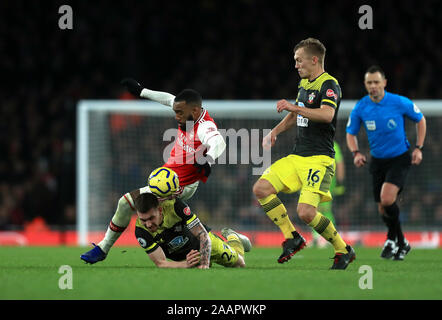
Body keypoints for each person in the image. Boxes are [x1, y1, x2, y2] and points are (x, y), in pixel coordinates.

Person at [80, 80, 226, 264]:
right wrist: (142, 91)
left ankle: (103, 248)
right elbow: (168, 99)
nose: (176, 116)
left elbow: (218, 141)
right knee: (139, 206)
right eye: (176, 112)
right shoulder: (189, 113)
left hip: (183, 184)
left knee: (125, 202)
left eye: (179, 113)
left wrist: (208, 160)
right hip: (169, 176)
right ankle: (225, 238)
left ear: (195, 111)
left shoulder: (204, 126)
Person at [252, 38, 355, 270]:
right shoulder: (304, 85)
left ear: (314, 59)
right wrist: (275, 132)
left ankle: (343, 249)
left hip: (319, 159)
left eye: (299, 60)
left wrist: (295, 107)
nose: (296, 65)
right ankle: (293, 237)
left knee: (306, 213)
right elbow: (295, 114)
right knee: (261, 188)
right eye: (295, 61)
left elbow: (327, 115)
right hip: (298, 156)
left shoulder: (329, 85)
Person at [346, 65, 426, 261]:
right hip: (377, 161)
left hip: (399, 158)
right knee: (382, 208)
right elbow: (350, 133)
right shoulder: (361, 106)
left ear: (384, 83)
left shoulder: (399, 102)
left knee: (387, 199)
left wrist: (418, 148)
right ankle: (401, 241)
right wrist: (356, 152)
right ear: (365, 85)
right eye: (369, 83)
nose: (373, 86)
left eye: (376, 82)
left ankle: (392, 239)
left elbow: (420, 120)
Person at [133, 191, 251, 268]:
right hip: (183, 257)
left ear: (159, 210)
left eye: (151, 218)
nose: (148, 224)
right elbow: (161, 263)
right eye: (143, 220)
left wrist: (204, 263)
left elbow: (202, 235)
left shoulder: (176, 207)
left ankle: (233, 237)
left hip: (201, 243)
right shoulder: (141, 231)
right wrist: (186, 264)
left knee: (240, 265)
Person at [312, 141, 345, 247]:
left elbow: (339, 163)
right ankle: (318, 237)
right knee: (313, 208)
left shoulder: (332, 145)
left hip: (326, 180)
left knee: (324, 209)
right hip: (315, 179)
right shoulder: (331, 144)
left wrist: (340, 181)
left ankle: (327, 237)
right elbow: (340, 163)